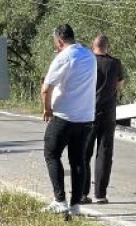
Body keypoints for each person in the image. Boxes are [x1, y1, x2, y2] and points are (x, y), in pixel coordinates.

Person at [40, 24, 97, 215]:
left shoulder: (63, 57)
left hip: (64, 116)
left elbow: (46, 88)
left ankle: (59, 200)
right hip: (86, 117)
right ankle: (75, 205)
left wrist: (47, 109)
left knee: (51, 153)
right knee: (78, 160)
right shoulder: (89, 55)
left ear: (59, 40)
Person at [82, 34, 126, 204]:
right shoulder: (115, 63)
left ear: (93, 46)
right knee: (104, 153)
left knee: (84, 153)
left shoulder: (87, 62)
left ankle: (83, 193)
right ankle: (100, 194)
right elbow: (120, 84)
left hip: (87, 113)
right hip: (108, 113)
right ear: (108, 47)